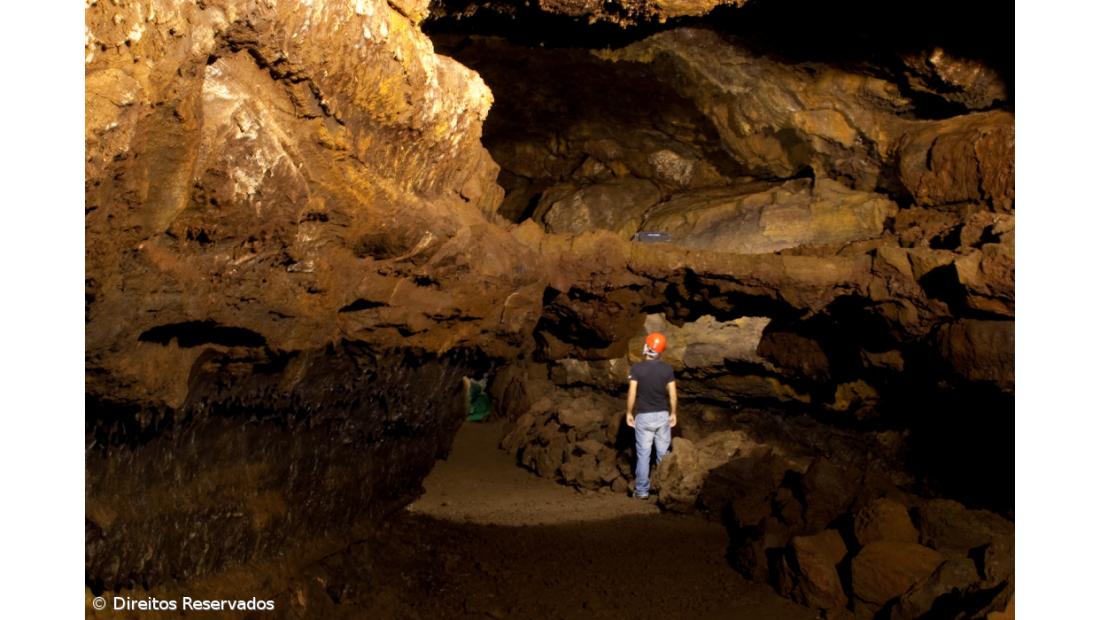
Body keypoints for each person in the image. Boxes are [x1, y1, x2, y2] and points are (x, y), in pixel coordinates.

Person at [625, 332, 677, 499]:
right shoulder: (667, 369)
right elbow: (673, 395)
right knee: (663, 455)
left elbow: (632, 393)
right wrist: (674, 413)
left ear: (647, 348)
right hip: (662, 416)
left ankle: (642, 491)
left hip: (644, 416)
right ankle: (664, 490)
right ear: (660, 351)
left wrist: (628, 413)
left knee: (643, 456)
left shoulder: (637, 368)